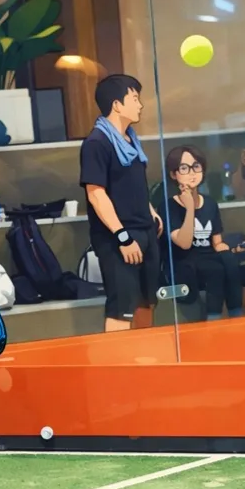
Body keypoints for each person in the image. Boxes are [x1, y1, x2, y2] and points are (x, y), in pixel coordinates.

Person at [80, 74, 163, 333]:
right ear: (117, 104)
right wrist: (123, 237)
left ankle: (144, 354)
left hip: (145, 230)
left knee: (147, 303)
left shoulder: (131, 139)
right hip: (119, 237)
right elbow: (96, 194)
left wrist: (150, 212)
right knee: (122, 307)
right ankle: (118, 358)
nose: (140, 105)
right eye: (135, 99)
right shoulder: (96, 143)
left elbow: (132, 184)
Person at [158, 145, 243, 320]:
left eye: (196, 166)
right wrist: (190, 208)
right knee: (214, 270)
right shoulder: (168, 206)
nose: (192, 173)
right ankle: (214, 319)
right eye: (184, 168)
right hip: (184, 261)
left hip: (208, 257)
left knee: (229, 262)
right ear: (173, 174)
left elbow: (217, 243)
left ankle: (236, 314)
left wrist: (231, 250)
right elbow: (184, 243)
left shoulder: (210, 203)